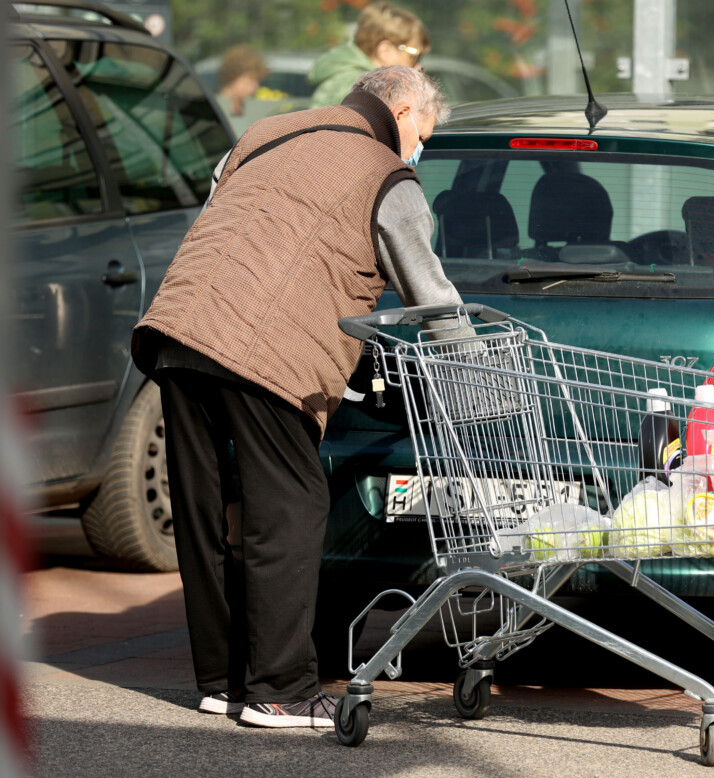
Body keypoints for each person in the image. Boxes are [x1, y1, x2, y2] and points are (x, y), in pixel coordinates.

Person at [130, 66, 467, 729]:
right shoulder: (384, 174)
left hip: (178, 329)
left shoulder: (263, 133)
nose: (418, 150)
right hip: (264, 352)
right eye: (422, 134)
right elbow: (432, 295)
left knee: (207, 510)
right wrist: (473, 372)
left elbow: (226, 226)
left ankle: (224, 681)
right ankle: (279, 688)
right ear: (401, 108)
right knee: (289, 504)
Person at [308, 2, 430, 110]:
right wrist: (410, 84)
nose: (418, 66)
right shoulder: (365, 88)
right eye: (414, 55)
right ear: (385, 50)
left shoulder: (346, 79)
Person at [216, 45, 268, 119]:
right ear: (234, 76)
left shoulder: (246, 110)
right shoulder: (216, 109)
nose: (256, 86)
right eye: (251, 79)